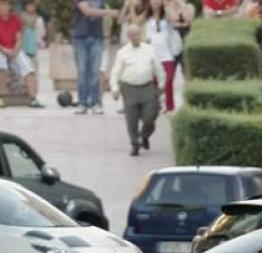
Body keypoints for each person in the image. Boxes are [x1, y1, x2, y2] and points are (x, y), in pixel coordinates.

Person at [109, 24, 164, 156]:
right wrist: (114, 88)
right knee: (132, 119)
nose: (136, 37)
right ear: (128, 37)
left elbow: (159, 69)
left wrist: (161, 84)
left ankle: (144, 135)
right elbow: (115, 73)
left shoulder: (150, 50)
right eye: (133, 35)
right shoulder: (122, 53)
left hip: (147, 87)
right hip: (129, 88)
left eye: (138, 34)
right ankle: (135, 144)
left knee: (150, 117)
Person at [0, 0, 43, 108]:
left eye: (5, 4)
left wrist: (15, 51)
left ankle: (33, 99)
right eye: (0, 4)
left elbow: (19, 39)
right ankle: (0, 97)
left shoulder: (15, 19)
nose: (2, 7)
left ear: (9, 6)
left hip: (13, 49)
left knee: (28, 66)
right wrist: (4, 50)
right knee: (1, 65)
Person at [72, 0, 118, 114]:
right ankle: (82, 103)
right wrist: (109, 11)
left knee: (95, 72)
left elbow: (103, 20)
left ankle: (95, 102)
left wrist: (105, 36)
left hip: (97, 37)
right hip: (80, 38)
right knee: (82, 71)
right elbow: (87, 11)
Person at [144, 0, 181, 112]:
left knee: (168, 79)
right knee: (153, 82)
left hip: (167, 55)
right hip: (152, 55)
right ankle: (155, 105)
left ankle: (169, 106)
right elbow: (136, 22)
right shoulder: (147, 17)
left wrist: (166, 6)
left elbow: (175, 19)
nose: (155, 2)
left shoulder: (166, 16)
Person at [20, 0, 46, 67]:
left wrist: (40, 41)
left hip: (34, 45)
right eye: (29, 5)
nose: (30, 7)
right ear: (25, 6)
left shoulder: (38, 19)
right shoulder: (21, 17)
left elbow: (42, 32)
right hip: (23, 45)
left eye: (33, 6)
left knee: (33, 64)